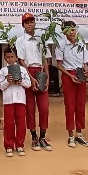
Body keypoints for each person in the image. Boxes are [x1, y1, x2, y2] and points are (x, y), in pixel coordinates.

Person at [15, 12, 52, 152]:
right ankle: (34, 136)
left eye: (32, 21)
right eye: (27, 22)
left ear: (35, 23)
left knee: (44, 108)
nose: (30, 24)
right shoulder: (20, 41)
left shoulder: (41, 40)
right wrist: (31, 77)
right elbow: (21, 60)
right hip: (28, 72)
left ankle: (43, 136)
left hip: (41, 72)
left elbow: (45, 59)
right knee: (30, 108)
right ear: (23, 25)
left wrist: (47, 77)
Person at [55, 20, 88, 148]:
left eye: (74, 29)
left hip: (80, 74)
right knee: (70, 105)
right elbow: (58, 65)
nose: (72, 32)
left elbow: (85, 62)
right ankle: (70, 135)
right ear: (64, 32)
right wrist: (70, 75)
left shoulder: (81, 44)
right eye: (70, 30)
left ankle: (79, 133)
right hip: (68, 76)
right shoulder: (61, 45)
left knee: (81, 104)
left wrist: (87, 70)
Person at [0, 47, 32, 157]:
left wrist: (20, 81)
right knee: (9, 123)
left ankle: (19, 144)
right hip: (8, 100)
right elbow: (1, 86)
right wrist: (8, 81)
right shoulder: (3, 71)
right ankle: (9, 145)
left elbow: (28, 84)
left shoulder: (22, 70)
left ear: (16, 57)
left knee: (21, 122)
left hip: (20, 99)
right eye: (7, 57)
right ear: (4, 58)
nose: (10, 59)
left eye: (12, 56)